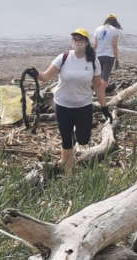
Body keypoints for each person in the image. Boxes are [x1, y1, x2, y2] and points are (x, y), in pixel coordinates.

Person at [28, 28, 110, 175]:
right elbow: (46, 77)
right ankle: (68, 172)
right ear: (72, 42)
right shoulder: (64, 57)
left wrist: (104, 107)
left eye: (81, 39)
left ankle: (68, 156)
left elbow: (98, 85)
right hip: (63, 106)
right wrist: (35, 74)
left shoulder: (93, 61)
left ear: (86, 42)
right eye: (75, 39)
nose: (77, 41)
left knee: (83, 139)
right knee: (67, 141)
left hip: (83, 106)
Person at [93, 15, 123, 85]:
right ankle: (102, 91)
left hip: (98, 56)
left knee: (98, 75)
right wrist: (117, 59)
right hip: (109, 56)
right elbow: (114, 46)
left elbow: (95, 45)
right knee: (105, 76)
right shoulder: (115, 30)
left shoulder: (98, 29)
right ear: (115, 22)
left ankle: (97, 91)